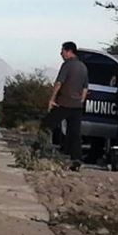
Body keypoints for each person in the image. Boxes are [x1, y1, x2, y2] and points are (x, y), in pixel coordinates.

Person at [44, 41, 89, 171]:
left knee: (46, 125)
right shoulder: (83, 67)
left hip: (63, 103)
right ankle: (76, 160)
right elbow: (85, 87)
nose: (61, 53)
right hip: (77, 106)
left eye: (63, 51)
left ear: (69, 52)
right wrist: (81, 100)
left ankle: (37, 151)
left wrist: (52, 99)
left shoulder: (67, 65)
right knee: (75, 134)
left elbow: (59, 83)